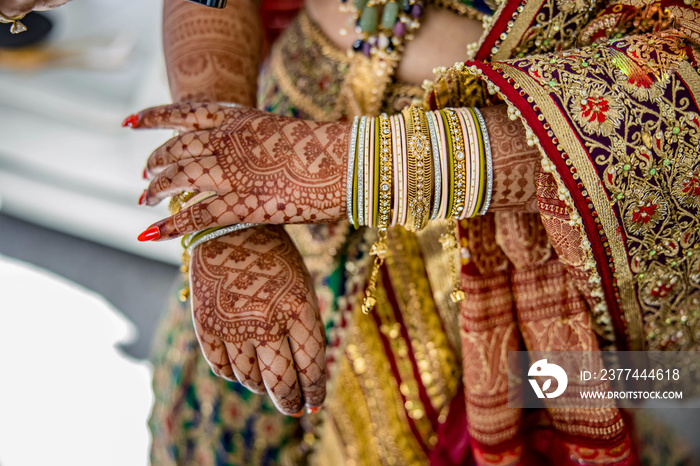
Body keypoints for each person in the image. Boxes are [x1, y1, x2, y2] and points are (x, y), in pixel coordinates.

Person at [130, 0, 700, 464]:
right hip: (277, 125)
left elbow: (675, 113)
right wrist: (226, 211)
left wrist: (345, 167)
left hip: (513, 226)